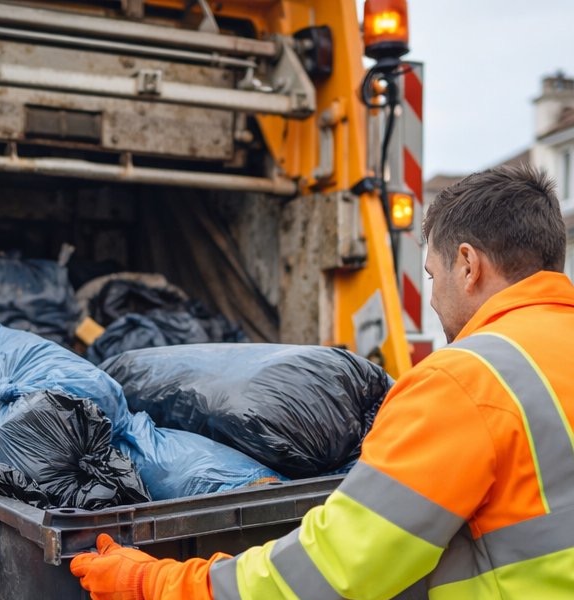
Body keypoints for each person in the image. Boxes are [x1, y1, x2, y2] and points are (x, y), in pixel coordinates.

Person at [72, 163, 574, 599]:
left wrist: (153, 583)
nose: (434, 297)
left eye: (430, 275)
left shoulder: (466, 381)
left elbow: (331, 572)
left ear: (467, 265)